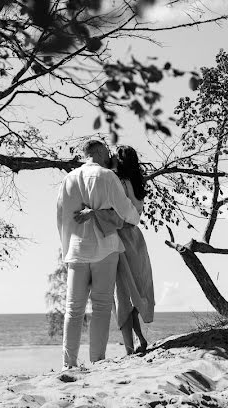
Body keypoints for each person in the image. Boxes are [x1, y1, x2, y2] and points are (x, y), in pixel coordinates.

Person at [55, 138, 140, 369]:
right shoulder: (107, 176)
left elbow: (60, 218)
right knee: (101, 306)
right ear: (101, 152)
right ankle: (97, 361)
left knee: (73, 309)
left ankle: (68, 364)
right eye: (107, 152)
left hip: (76, 249)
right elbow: (128, 214)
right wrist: (133, 214)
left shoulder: (68, 178)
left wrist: (67, 249)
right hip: (105, 248)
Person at [104, 145, 155, 354]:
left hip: (122, 236)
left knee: (123, 292)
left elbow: (116, 212)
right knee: (136, 289)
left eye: (115, 156)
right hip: (136, 237)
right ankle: (139, 339)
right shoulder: (137, 182)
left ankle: (131, 346)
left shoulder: (117, 182)